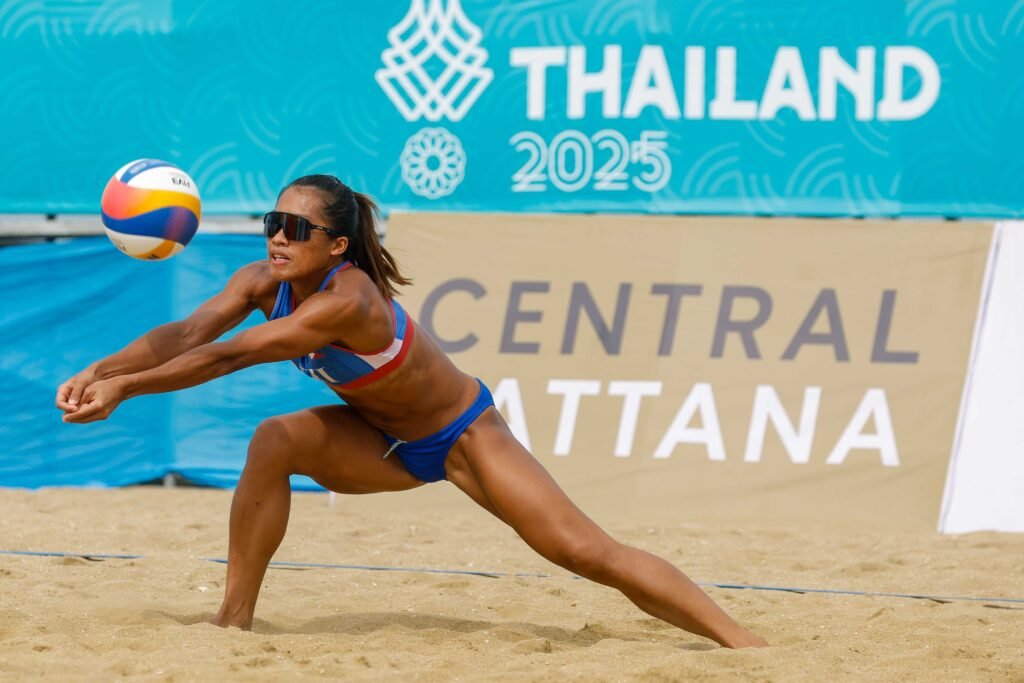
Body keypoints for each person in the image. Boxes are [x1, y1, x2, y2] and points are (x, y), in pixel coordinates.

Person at [56, 175, 768, 648]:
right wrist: (102, 368)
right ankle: (233, 618)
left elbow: (229, 357)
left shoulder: (349, 300)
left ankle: (745, 644)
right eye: (273, 220)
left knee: (587, 552)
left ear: (336, 245)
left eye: (296, 228)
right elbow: (186, 336)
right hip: (381, 439)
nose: (277, 236)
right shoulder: (259, 280)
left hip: (463, 435)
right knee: (275, 438)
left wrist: (127, 390)